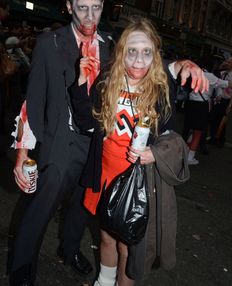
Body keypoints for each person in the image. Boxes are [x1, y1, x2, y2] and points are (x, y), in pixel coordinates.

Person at [69, 17, 207, 286]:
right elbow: (87, 124)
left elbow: (170, 136)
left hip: (136, 181)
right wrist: (80, 84)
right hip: (104, 173)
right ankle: (103, 282)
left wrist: (154, 153)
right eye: (132, 51)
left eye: (146, 52)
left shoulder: (160, 89)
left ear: (155, 55)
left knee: (127, 248)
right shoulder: (107, 81)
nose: (139, 60)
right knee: (106, 237)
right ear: (121, 52)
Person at [10, 0, 113, 286]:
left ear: (102, 6)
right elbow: (33, 101)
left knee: (84, 206)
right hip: (60, 142)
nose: (90, 17)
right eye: (82, 8)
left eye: (96, 8)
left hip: (96, 144)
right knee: (40, 208)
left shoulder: (111, 45)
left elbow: (142, 65)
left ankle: (69, 250)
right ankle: (21, 268)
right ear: (69, 6)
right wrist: (22, 154)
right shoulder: (49, 44)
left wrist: (177, 67)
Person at [182, 57, 232, 164]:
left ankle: (185, 153)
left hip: (191, 103)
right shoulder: (210, 76)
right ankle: (190, 158)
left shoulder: (194, 73)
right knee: (198, 134)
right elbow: (226, 84)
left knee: (191, 130)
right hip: (201, 106)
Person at [209, 58, 232, 146]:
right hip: (217, 99)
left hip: (226, 101)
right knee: (213, 119)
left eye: (230, 62)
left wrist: (229, 106)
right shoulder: (221, 73)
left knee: (222, 121)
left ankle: (220, 140)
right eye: (227, 61)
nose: (227, 63)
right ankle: (213, 138)